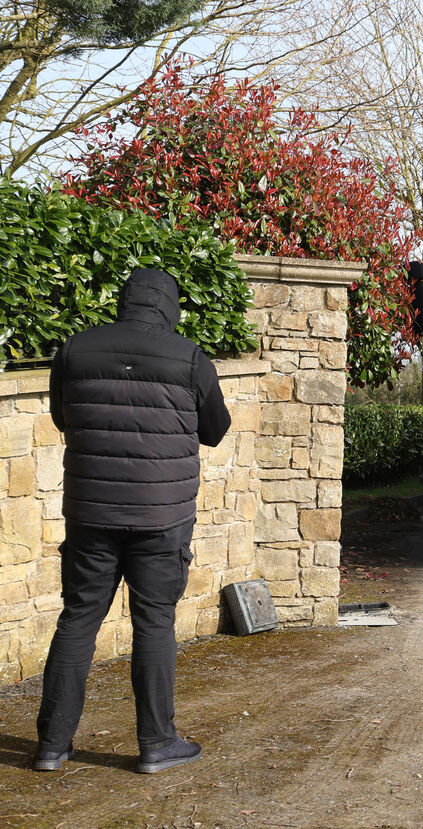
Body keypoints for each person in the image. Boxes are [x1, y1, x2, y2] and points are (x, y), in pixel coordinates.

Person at [34, 268, 231, 774]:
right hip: (161, 519)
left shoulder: (75, 351)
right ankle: (156, 745)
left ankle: (52, 746)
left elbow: (64, 416)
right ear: (169, 306)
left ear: (124, 302)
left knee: (78, 619)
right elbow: (215, 430)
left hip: (90, 513)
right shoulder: (189, 357)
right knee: (154, 622)